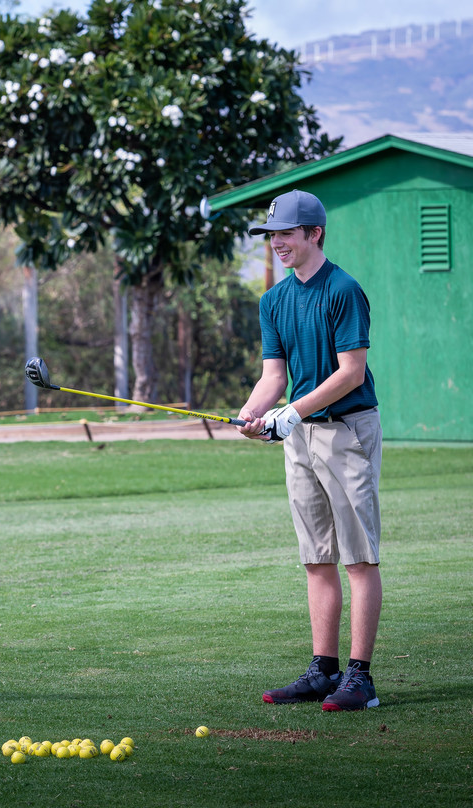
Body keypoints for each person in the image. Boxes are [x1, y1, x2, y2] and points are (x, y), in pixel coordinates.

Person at [237, 189, 382, 712]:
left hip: (347, 430)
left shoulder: (343, 290)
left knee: (358, 557)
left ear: (314, 233)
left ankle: (360, 679)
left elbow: (352, 372)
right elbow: (273, 376)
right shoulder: (273, 300)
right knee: (316, 558)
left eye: (285, 235)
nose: (277, 244)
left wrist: (292, 412)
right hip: (299, 435)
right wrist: (254, 415)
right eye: (271, 236)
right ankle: (324, 670)